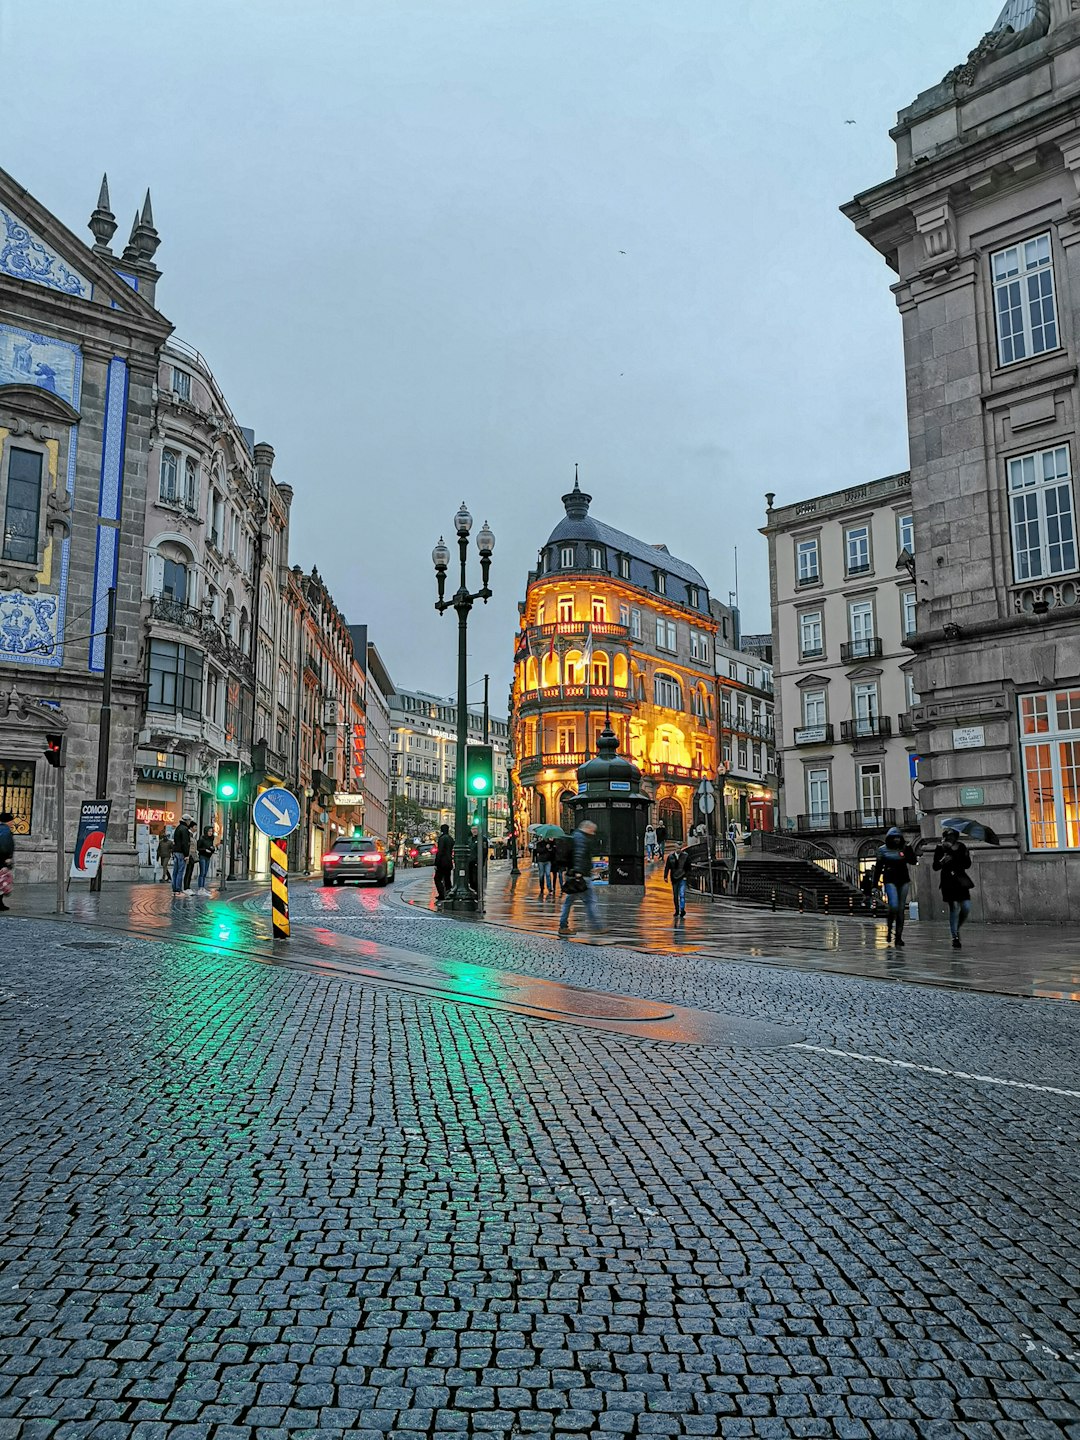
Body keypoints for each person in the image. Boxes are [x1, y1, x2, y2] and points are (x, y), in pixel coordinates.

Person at [872, 825, 918, 947]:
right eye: (894, 837)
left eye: (898, 837)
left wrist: (908, 851)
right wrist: (874, 885)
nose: (897, 839)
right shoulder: (883, 850)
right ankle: (889, 929)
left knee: (901, 909)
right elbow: (878, 868)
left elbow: (913, 861)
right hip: (889, 879)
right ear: (889, 838)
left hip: (903, 880)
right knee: (894, 905)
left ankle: (898, 937)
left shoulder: (905, 848)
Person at [558, 820, 602, 935]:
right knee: (590, 901)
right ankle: (597, 927)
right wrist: (579, 872)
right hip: (580, 876)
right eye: (592, 831)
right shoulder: (581, 838)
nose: (593, 834)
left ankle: (563, 926)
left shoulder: (576, 836)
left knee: (570, 902)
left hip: (575, 874)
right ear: (587, 829)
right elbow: (579, 855)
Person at [933, 827, 974, 948]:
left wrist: (965, 855)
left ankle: (957, 927)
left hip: (961, 880)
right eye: (948, 836)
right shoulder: (940, 848)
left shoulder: (961, 847)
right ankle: (955, 936)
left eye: (952, 836)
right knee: (954, 907)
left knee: (966, 907)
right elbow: (935, 866)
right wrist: (942, 861)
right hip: (947, 881)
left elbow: (967, 865)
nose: (950, 838)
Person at [664, 841, 694, 918]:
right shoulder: (670, 857)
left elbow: (689, 867)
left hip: (682, 878)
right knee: (675, 895)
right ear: (675, 848)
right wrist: (665, 876)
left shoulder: (685, 856)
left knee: (682, 894)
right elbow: (667, 867)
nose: (678, 850)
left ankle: (682, 909)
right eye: (677, 848)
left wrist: (687, 876)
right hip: (674, 878)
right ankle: (677, 910)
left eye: (680, 848)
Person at [170, 816, 193, 896]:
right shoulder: (185, 829)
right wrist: (186, 854)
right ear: (186, 820)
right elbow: (185, 843)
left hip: (176, 851)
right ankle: (178, 890)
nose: (190, 822)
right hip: (181, 852)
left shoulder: (178, 828)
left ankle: (174, 890)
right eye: (189, 820)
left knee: (175, 872)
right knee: (180, 871)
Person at [434, 823, 454, 904]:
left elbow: (440, 851)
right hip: (449, 862)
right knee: (447, 879)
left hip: (442, 862)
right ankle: (449, 893)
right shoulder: (450, 838)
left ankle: (442, 894)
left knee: (437, 878)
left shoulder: (442, 839)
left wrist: (436, 863)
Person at [0, 810, 14, 913]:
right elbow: (5, 846)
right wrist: (8, 858)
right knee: (2, 881)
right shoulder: (5, 831)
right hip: (2, 860)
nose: (12, 823)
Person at [196, 826, 217, 895]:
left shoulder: (211, 839)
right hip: (202, 856)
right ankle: (200, 888)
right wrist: (205, 850)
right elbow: (198, 848)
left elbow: (211, 847)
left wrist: (212, 849)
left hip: (208, 857)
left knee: (205, 872)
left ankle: (203, 887)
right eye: (209, 831)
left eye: (211, 831)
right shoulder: (202, 839)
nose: (210, 833)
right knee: (202, 872)